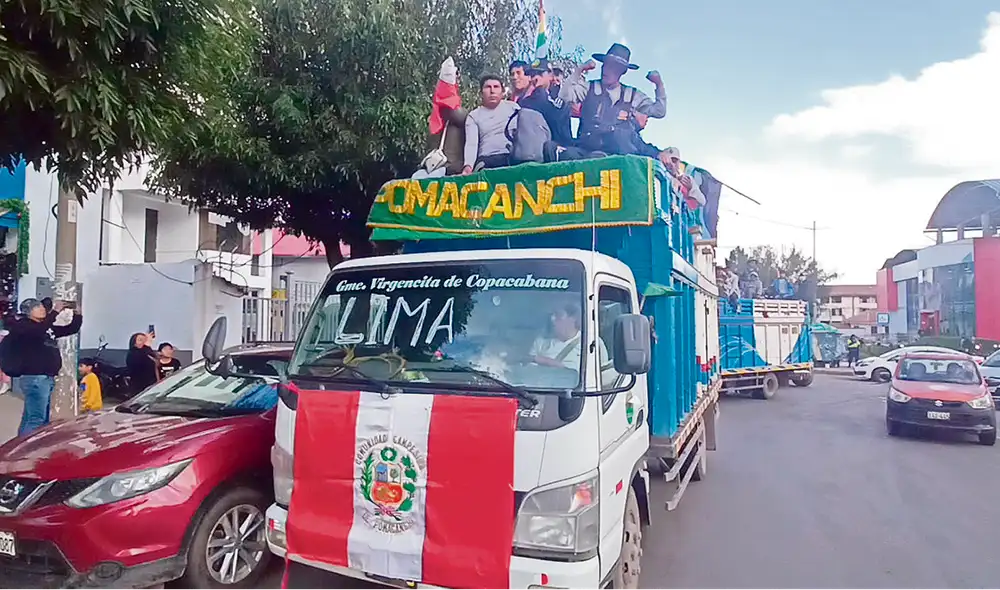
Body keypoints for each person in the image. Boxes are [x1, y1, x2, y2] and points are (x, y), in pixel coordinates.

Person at [558, 43, 673, 165]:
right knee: (566, 155)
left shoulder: (632, 95)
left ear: (622, 71)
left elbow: (659, 111)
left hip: (619, 156)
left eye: (612, 67)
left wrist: (658, 84)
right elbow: (564, 95)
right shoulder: (589, 88)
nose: (605, 70)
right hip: (586, 150)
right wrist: (580, 69)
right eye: (605, 65)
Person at [3, 298, 83, 436]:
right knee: (37, 419)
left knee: (34, 417)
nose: (42, 309)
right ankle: (29, 446)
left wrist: (77, 314)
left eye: (42, 307)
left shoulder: (45, 328)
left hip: (45, 378)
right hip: (35, 377)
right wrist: (55, 312)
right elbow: (38, 331)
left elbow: (70, 329)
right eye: (38, 307)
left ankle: (22, 442)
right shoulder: (23, 326)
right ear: (29, 312)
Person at [462, 75, 520, 173]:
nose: (492, 91)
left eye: (496, 87)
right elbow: (471, 144)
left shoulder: (514, 108)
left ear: (502, 92)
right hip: (487, 160)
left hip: (512, 156)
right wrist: (468, 166)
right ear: (481, 93)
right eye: (488, 87)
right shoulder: (474, 116)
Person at [519, 58, 574, 147]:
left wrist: (539, 90)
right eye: (532, 75)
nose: (535, 78)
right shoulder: (529, 99)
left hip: (557, 148)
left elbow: (555, 118)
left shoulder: (559, 97)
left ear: (550, 75)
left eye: (539, 74)